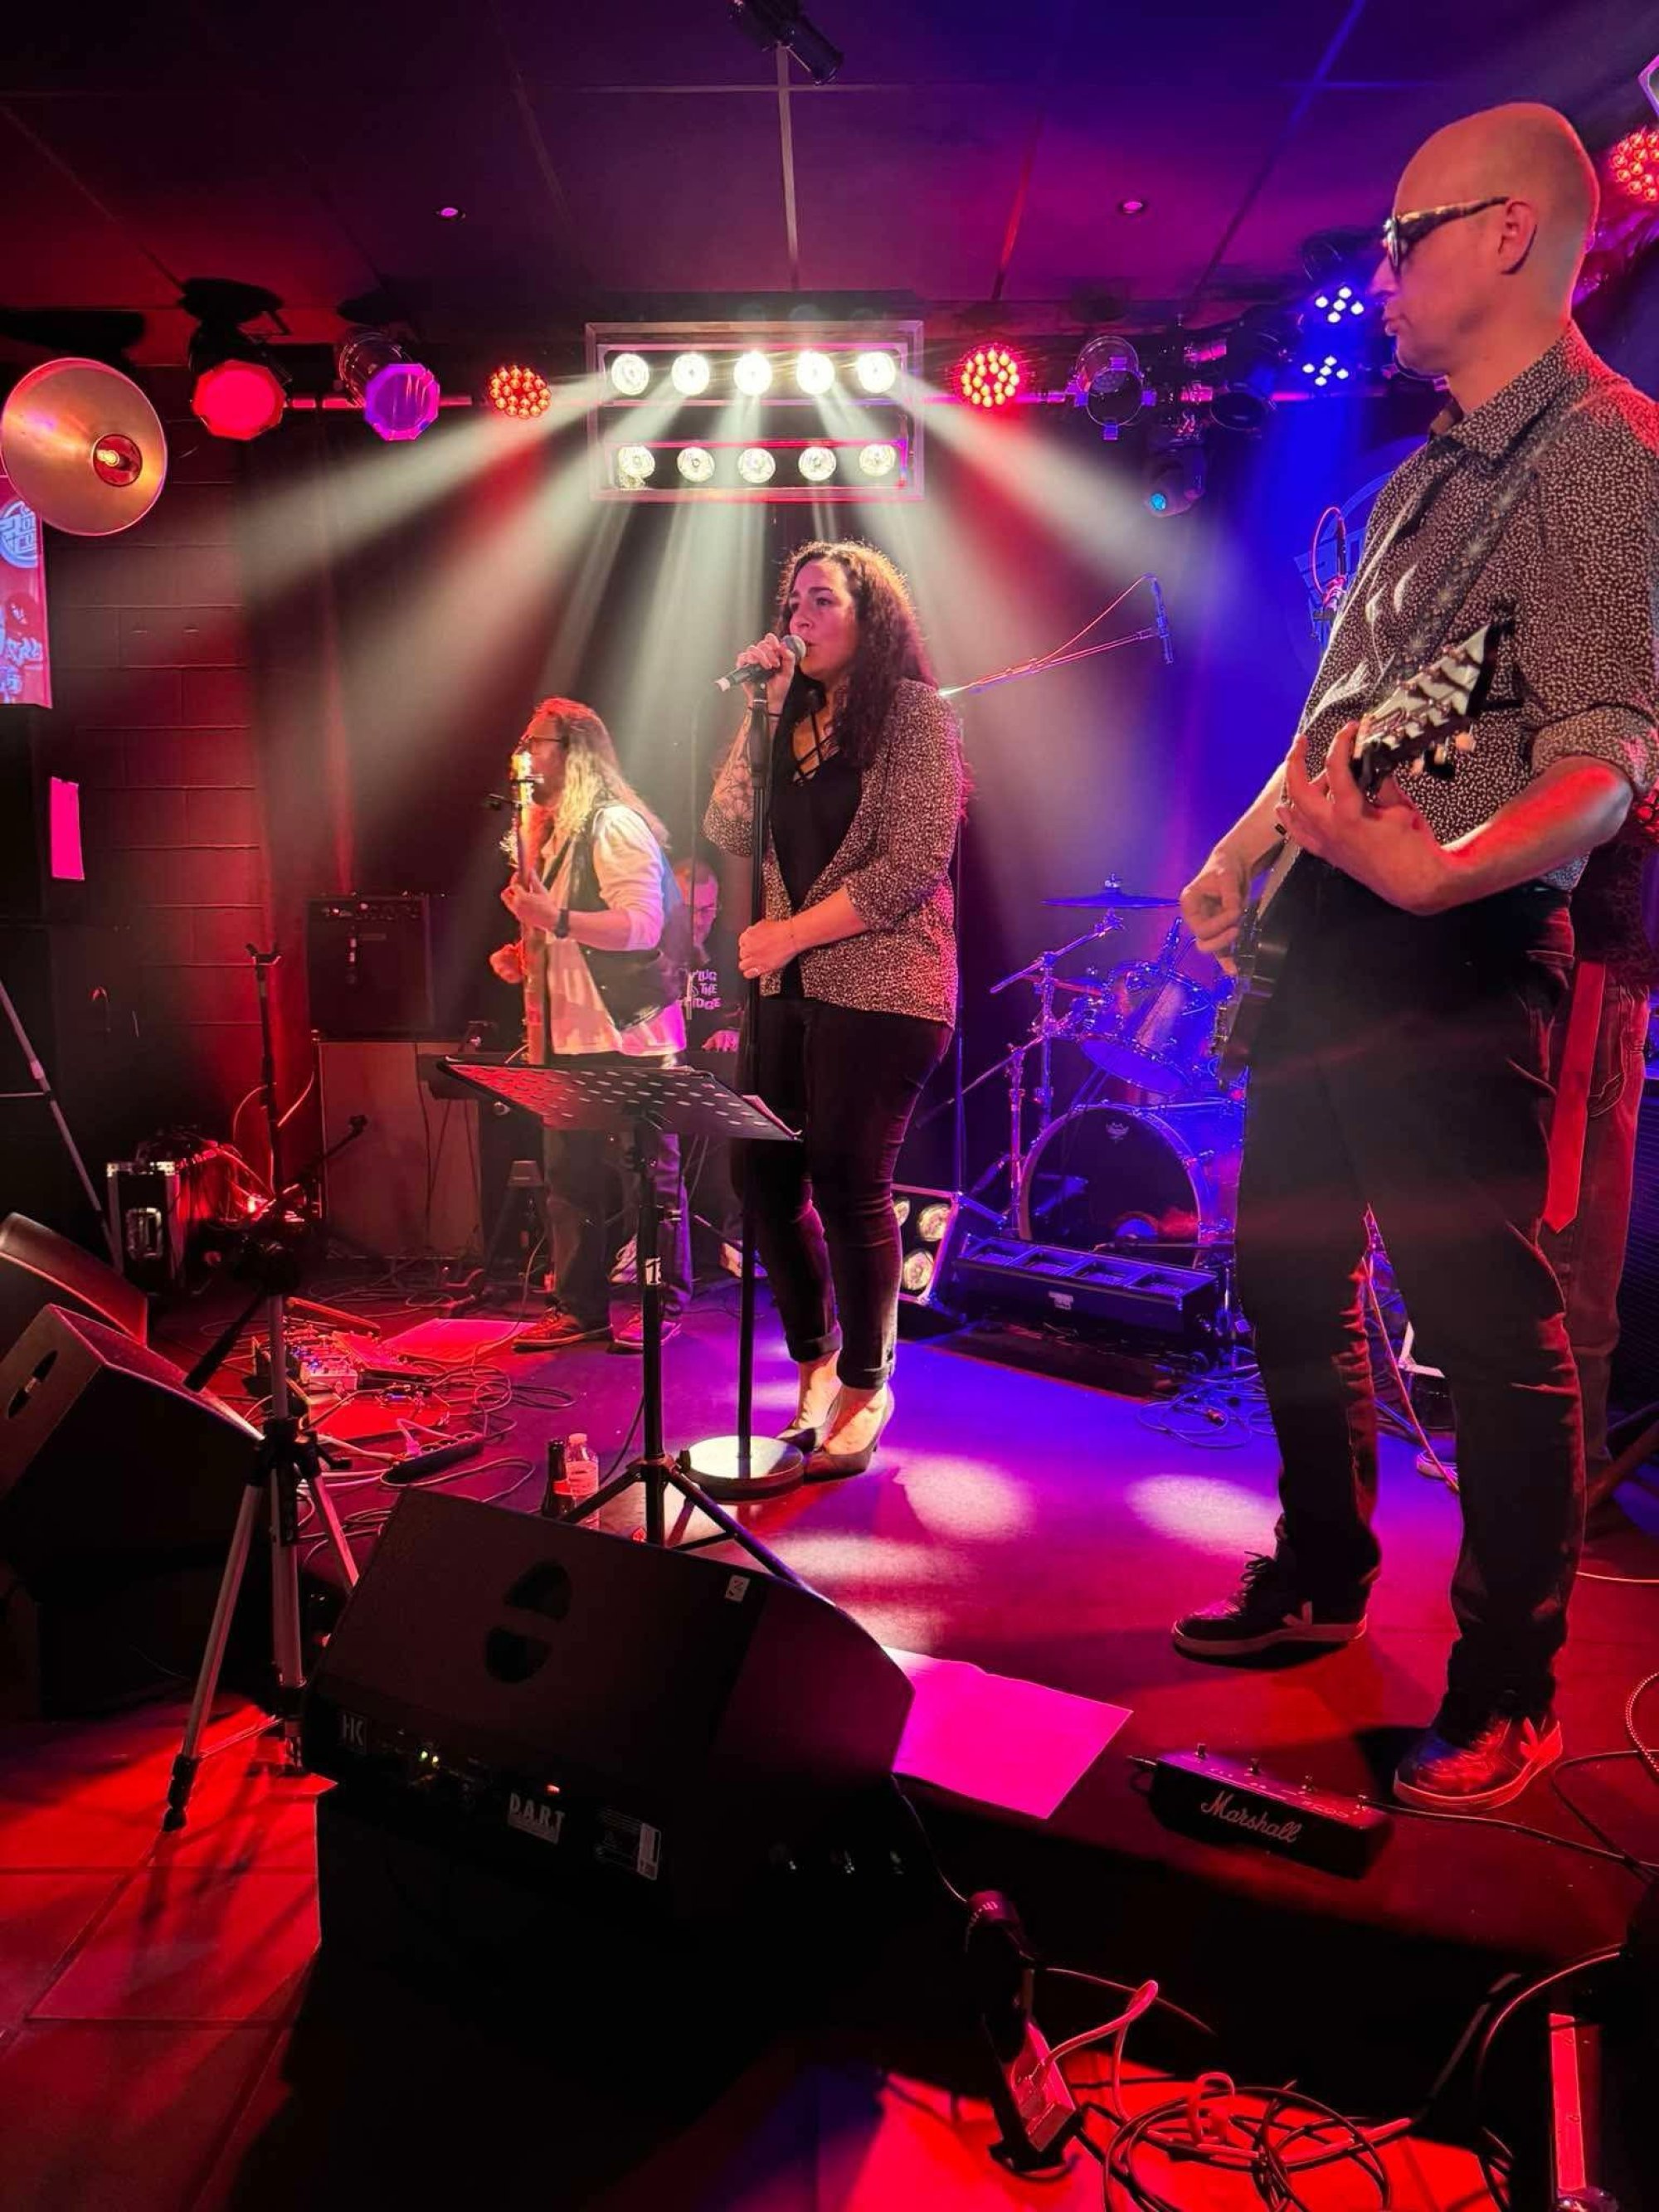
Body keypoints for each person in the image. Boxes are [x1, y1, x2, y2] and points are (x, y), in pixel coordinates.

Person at [1175, 104, 1659, 1811]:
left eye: (1405, 237)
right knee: (1285, 1278)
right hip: (1329, 945)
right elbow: (1341, 720)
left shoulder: (1601, 451)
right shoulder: (1421, 476)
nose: (1377, 273)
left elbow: (1610, 756)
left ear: (1514, 233)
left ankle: (1509, 1690)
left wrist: (1442, 869)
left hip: (1460, 959)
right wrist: (1242, 853)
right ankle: (1322, 1569)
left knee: (1490, 1331)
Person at [703, 540, 964, 1476]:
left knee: (850, 1178)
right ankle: (814, 1359)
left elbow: (910, 864)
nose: (799, 619)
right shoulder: (786, 717)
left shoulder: (912, 714)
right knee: (760, 1178)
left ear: (870, 617)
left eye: (822, 601)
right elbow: (728, 824)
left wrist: (788, 935)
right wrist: (765, 716)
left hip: (886, 982)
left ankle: (866, 1381)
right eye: (794, 603)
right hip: (789, 986)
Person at [489, 696, 692, 1350]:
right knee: (569, 1180)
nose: (524, 754)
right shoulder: (551, 835)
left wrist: (555, 920)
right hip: (569, 1037)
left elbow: (642, 926)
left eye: (536, 742)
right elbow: (566, 937)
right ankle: (580, 1309)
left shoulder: (614, 825)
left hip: (631, 1034)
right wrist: (524, 957)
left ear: (574, 752)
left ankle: (660, 1303)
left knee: (648, 1180)